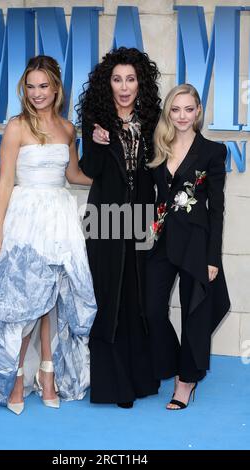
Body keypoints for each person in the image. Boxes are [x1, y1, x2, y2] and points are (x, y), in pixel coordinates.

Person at [0, 55, 97, 414]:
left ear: (56, 88)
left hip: (59, 217)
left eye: (43, 86)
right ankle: (16, 378)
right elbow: (5, 181)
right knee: (25, 303)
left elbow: (74, 176)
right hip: (25, 218)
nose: (37, 93)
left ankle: (47, 374)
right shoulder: (16, 127)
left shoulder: (67, 129)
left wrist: (121, 182)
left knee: (54, 298)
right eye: (30, 86)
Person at [76, 47, 161, 408]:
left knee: (136, 296)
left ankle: (139, 380)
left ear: (139, 82)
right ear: (106, 83)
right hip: (104, 216)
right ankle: (112, 386)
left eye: (130, 79)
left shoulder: (152, 117)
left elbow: (158, 170)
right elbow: (90, 170)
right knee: (107, 296)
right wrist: (94, 145)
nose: (124, 87)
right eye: (116, 79)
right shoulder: (96, 118)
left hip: (139, 216)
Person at [145, 83, 230, 410]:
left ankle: (186, 380)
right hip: (161, 238)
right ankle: (171, 361)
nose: (181, 116)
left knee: (195, 312)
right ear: (169, 112)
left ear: (197, 112)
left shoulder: (212, 152)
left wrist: (213, 258)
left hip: (196, 241)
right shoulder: (158, 147)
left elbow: (217, 209)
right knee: (151, 309)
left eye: (188, 109)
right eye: (175, 109)